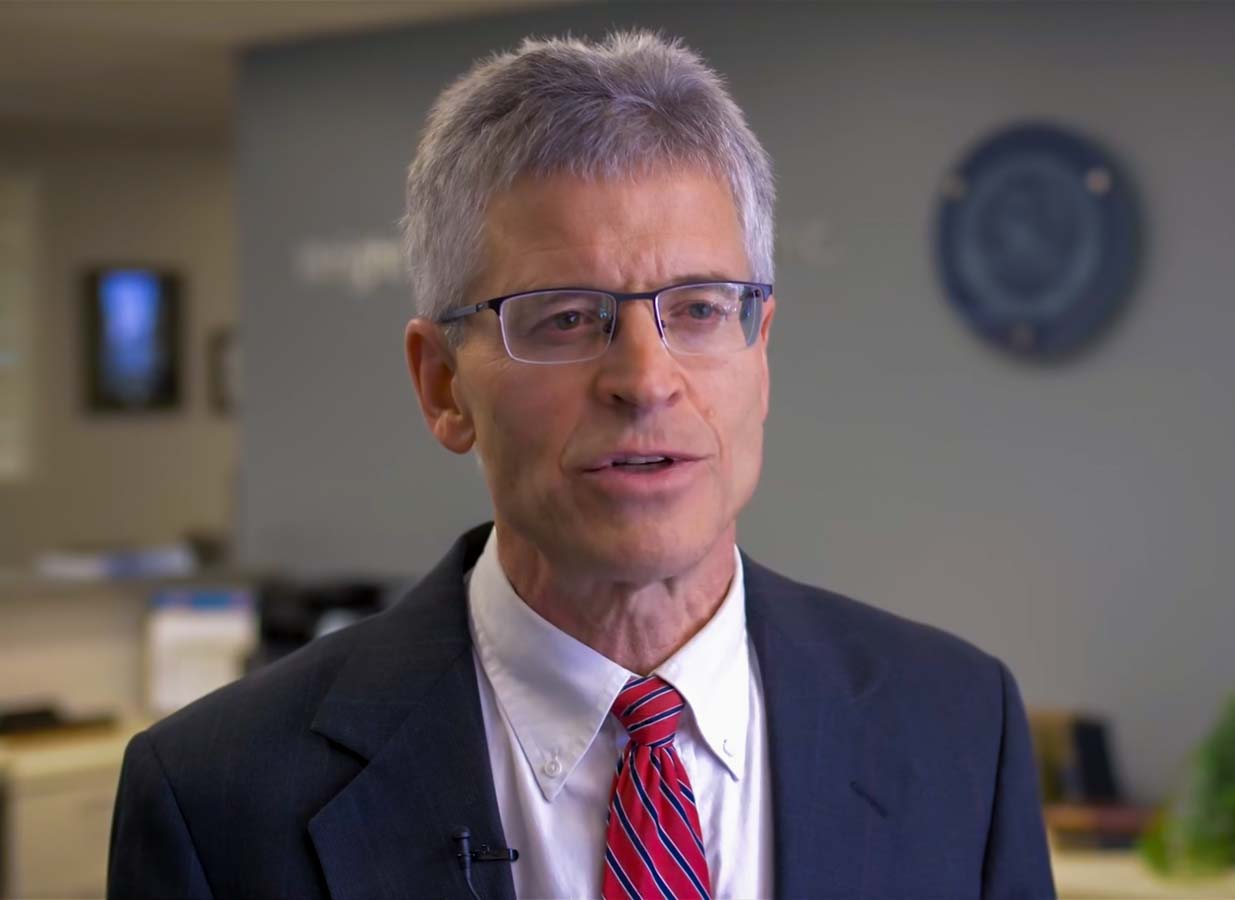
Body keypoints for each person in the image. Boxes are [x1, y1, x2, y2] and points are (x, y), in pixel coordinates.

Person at [107, 31, 1052, 900]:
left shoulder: (961, 728)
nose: (645, 380)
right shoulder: (217, 802)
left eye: (699, 309)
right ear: (442, 384)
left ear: (761, 354)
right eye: (564, 317)